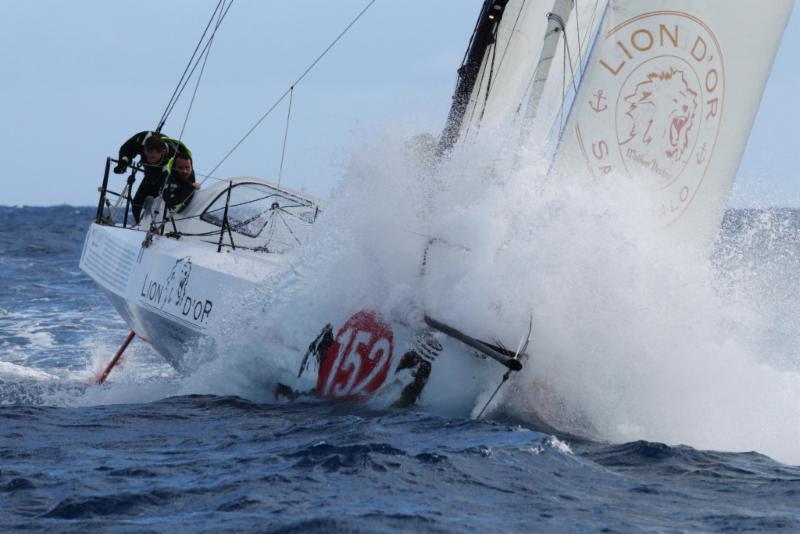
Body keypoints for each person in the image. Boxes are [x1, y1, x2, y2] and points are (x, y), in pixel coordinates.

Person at [113, 131, 191, 222]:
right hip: (149, 176)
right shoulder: (141, 140)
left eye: (153, 157)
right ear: (144, 150)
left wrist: (189, 187)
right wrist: (123, 163)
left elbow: (187, 173)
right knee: (136, 205)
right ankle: (140, 226)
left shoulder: (175, 155)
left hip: (167, 179)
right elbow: (126, 149)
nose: (149, 160)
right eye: (147, 157)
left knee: (159, 208)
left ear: (163, 152)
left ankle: (156, 227)